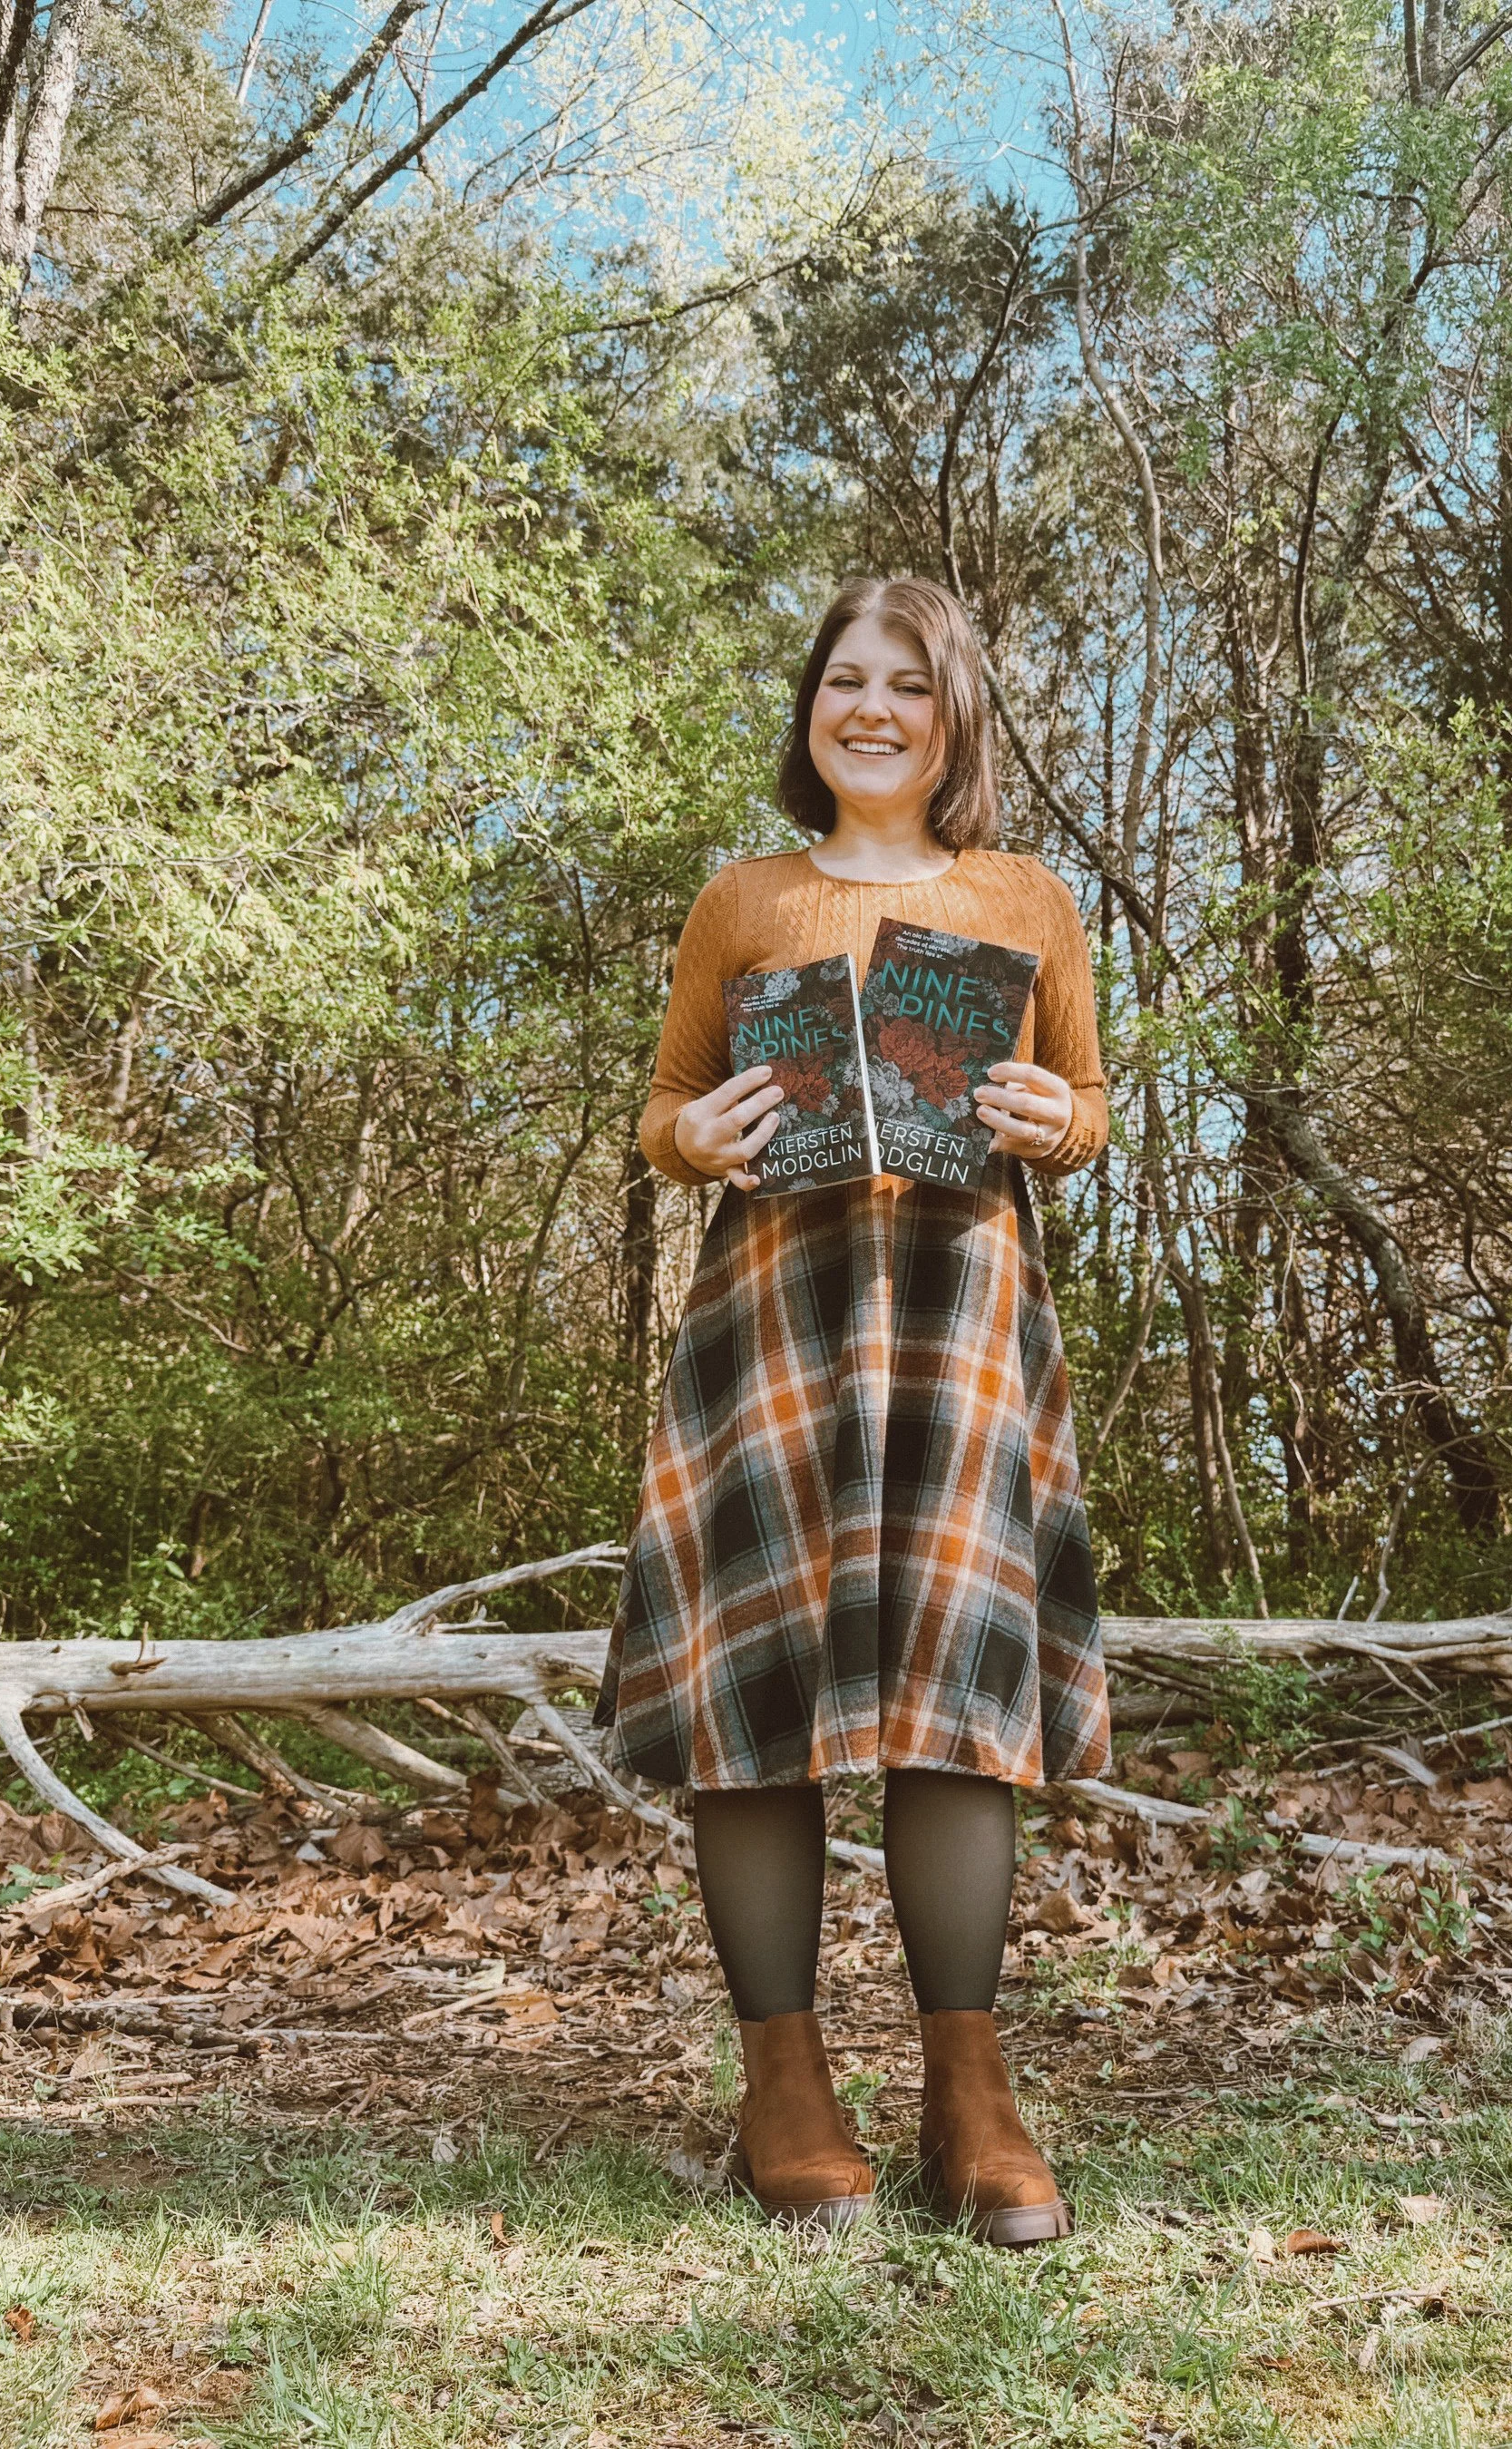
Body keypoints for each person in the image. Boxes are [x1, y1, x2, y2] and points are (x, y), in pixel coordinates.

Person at [594, 576, 1111, 2248]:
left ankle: (974, 2092)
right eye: (843, 681)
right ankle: (785, 2090)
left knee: (954, 1679)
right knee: (759, 1683)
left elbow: (1086, 1100)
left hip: (962, 1312)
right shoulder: (745, 898)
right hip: (775, 1319)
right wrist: (701, 1136)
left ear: (953, 713)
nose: (869, 707)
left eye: (905, 683)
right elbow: (667, 1105)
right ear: (812, 708)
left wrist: (1052, 1116)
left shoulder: (1025, 898)